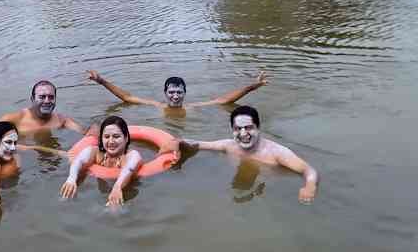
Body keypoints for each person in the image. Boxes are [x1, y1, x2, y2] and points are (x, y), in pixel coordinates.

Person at [161, 106, 319, 202]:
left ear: (258, 128)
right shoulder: (229, 146)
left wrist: (309, 187)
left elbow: (309, 171)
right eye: (238, 129)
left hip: (274, 192)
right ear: (232, 130)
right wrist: (178, 142)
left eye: (248, 127)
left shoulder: (277, 153)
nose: (243, 134)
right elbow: (198, 144)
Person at [86, 71, 267, 115]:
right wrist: (101, 81)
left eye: (179, 92)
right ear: (165, 93)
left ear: (184, 93)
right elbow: (127, 97)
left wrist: (252, 87)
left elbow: (224, 100)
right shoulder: (155, 105)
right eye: (171, 92)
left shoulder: (193, 107)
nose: (175, 96)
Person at [60, 116, 142, 206]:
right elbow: (79, 161)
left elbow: (129, 168)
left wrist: (117, 187)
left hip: (126, 190)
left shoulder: (131, 155)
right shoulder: (96, 152)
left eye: (116, 136)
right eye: (106, 137)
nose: (111, 141)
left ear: (126, 138)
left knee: (115, 211)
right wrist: (71, 179)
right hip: (102, 189)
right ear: (101, 139)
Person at [0, 80, 90, 135]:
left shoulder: (61, 120)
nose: (47, 101)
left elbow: (85, 133)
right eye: (42, 97)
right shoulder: (16, 119)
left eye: (51, 97)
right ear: (32, 99)